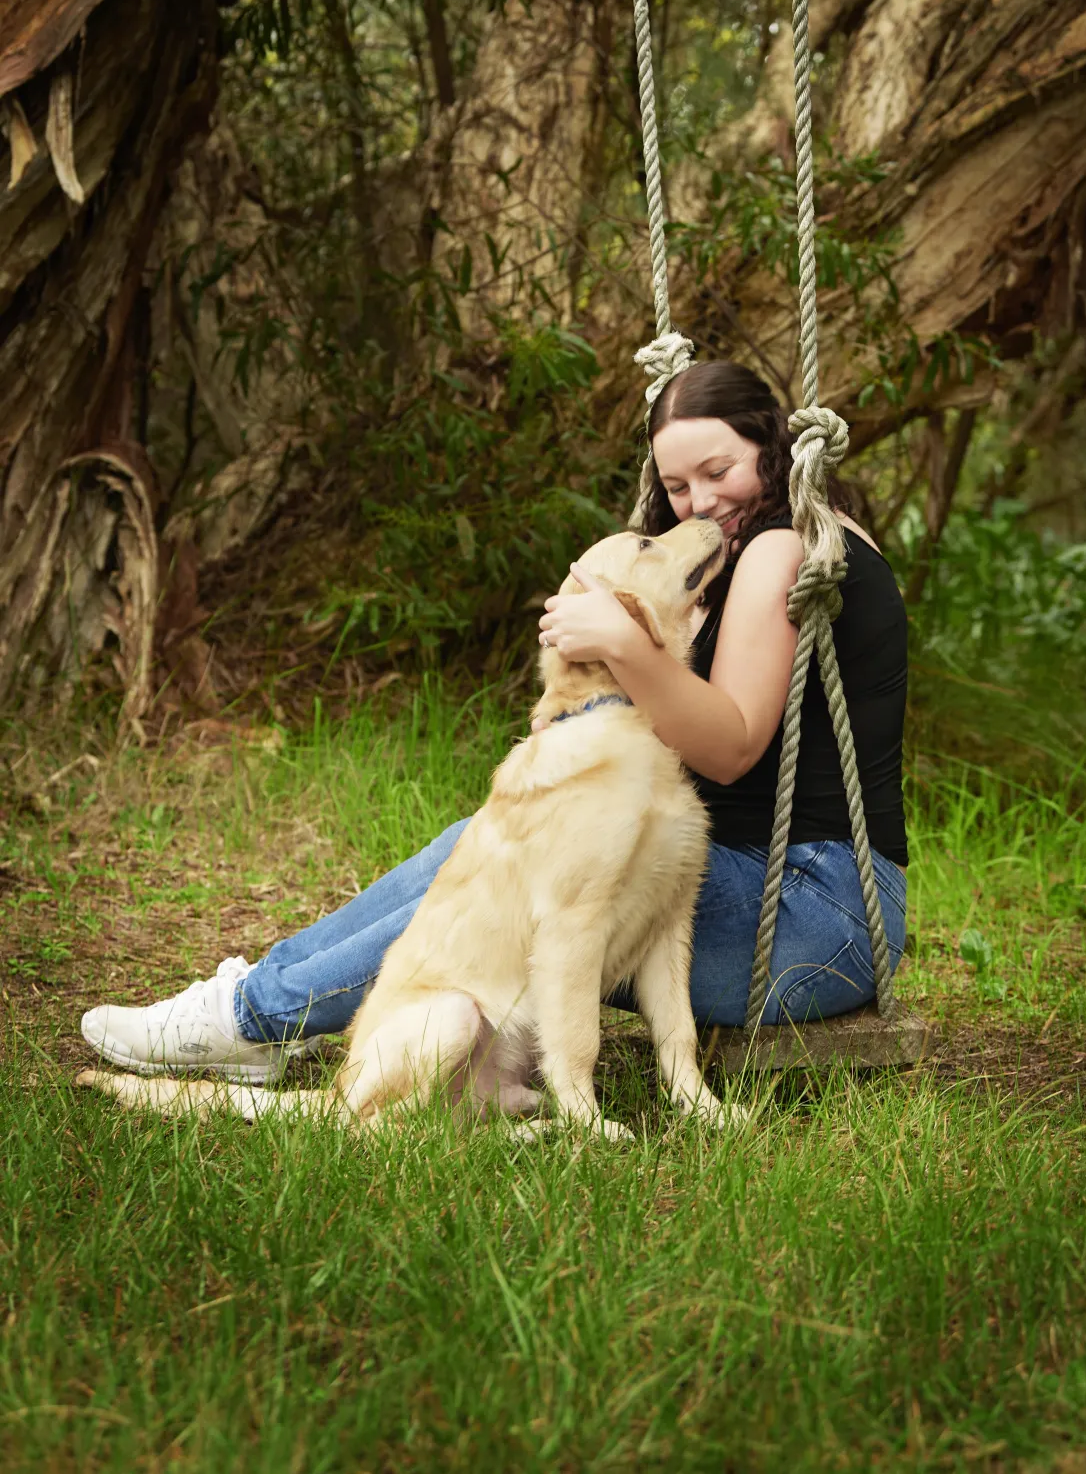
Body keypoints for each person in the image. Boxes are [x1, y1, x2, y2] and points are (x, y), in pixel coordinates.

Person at [80, 361, 908, 1085]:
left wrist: (623, 640)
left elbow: (729, 747)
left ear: (769, 439)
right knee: (493, 843)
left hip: (808, 913)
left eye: (718, 469)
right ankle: (256, 1002)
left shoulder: (780, 549)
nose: (700, 501)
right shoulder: (746, 549)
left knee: (496, 861)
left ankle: (250, 1018)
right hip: (777, 897)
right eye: (679, 486)